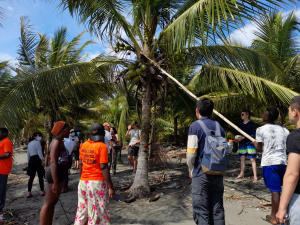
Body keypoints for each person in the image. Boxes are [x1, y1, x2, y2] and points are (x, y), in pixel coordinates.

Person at [186, 98, 226, 225]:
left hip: (201, 173)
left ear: (197, 111)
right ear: (212, 111)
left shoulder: (195, 126)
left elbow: (191, 153)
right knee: (217, 209)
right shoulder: (219, 127)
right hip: (218, 173)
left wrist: (191, 170)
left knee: (201, 210)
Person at [253, 108, 289, 224]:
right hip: (283, 162)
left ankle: (275, 216)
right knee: (283, 189)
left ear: (267, 117)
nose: (262, 115)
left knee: (275, 190)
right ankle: (283, 214)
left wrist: (255, 144)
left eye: (264, 114)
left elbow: (260, 149)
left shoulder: (260, 130)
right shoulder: (284, 130)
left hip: (270, 162)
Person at [74, 122, 115, 225]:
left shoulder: (83, 145)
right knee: (97, 214)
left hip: (83, 183)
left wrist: (82, 179)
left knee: (82, 212)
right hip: (97, 184)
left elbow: (81, 164)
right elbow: (103, 167)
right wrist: (110, 187)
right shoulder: (102, 147)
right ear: (103, 134)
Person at [40, 121, 70, 225]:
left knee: (53, 203)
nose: (69, 132)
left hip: (59, 173)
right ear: (62, 131)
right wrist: (56, 182)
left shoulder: (60, 141)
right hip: (54, 174)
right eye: (68, 130)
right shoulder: (56, 142)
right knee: (48, 203)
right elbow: (52, 162)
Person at [276, 96, 300, 224]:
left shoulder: (296, 136)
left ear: (295, 112)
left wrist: (281, 208)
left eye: (289, 111)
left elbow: (292, 175)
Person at [235, 110, 258, 183]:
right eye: (241, 114)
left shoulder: (252, 124)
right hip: (242, 143)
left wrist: (244, 137)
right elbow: (239, 134)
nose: (241, 116)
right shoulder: (240, 124)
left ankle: (255, 176)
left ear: (247, 115)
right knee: (242, 158)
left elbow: (254, 135)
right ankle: (242, 174)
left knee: (252, 159)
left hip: (250, 143)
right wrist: (238, 139)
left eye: (242, 114)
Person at [0, 128, 13, 224]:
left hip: (3, 170)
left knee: (1, 190)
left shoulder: (7, 142)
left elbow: (7, 154)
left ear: (4, 133)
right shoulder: (3, 141)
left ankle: (0, 210)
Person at [26, 132, 45, 198]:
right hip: (37, 159)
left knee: (31, 177)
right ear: (34, 136)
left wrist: (29, 160)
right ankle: (42, 191)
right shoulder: (37, 143)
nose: (39, 137)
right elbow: (39, 152)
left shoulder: (29, 143)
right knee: (40, 175)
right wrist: (42, 159)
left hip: (31, 159)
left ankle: (29, 192)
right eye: (38, 136)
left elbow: (28, 153)